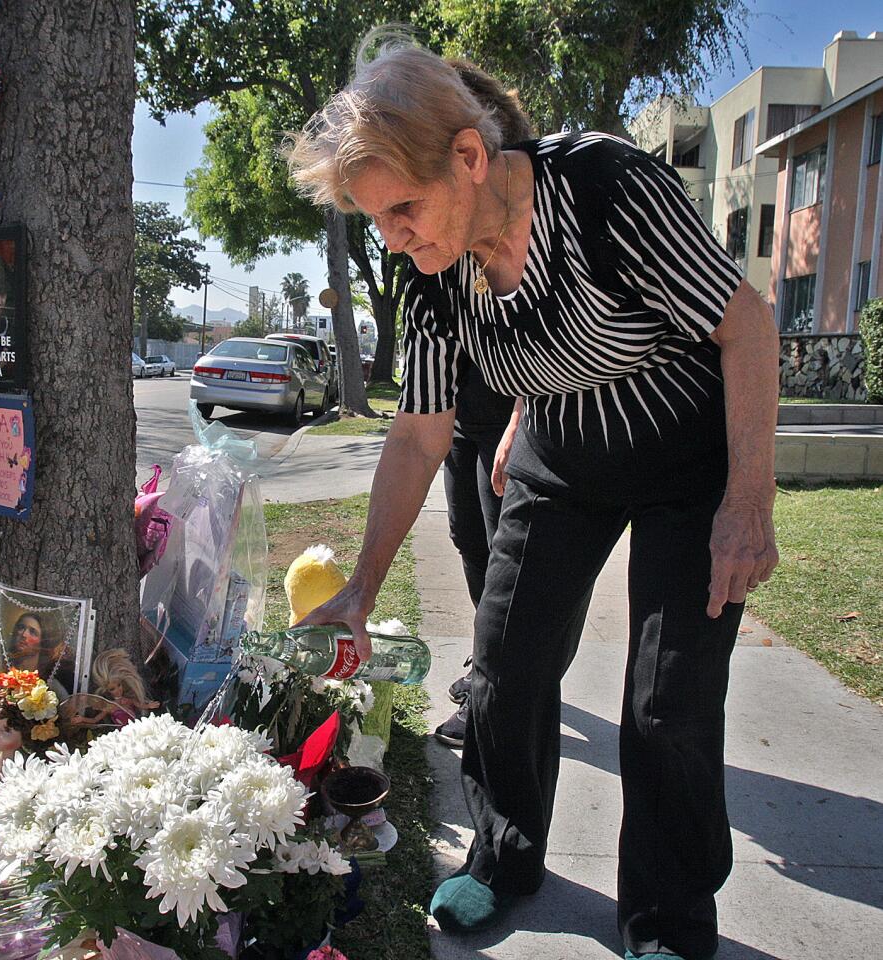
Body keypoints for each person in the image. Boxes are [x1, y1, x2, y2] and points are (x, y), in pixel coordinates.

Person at [286, 31, 779, 960]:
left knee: (666, 703)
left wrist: (747, 501)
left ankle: (667, 919)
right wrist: (360, 584)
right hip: (564, 454)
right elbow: (421, 432)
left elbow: (745, 324)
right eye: (376, 221)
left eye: (404, 210)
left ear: (470, 157)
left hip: (684, 455)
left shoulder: (607, 189)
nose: (396, 239)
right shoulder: (435, 280)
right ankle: (507, 858)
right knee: (505, 665)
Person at [434, 61, 528, 749]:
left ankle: (499, 690)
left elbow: (555, 340)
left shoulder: (527, 222)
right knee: (470, 540)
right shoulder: (444, 258)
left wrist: (524, 415)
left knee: (508, 561)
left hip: (514, 420)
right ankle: (487, 660)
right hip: (466, 420)